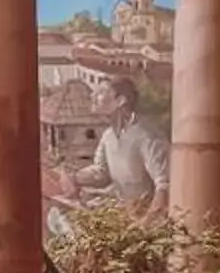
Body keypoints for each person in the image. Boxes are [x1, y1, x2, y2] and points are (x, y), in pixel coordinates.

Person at [72, 77, 169, 213]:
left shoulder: (147, 135)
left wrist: (145, 224)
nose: (92, 95)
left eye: (101, 92)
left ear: (120, 101)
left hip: (144, 218)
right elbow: (102, 172)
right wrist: (73, 178)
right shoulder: (108, 136)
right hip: (122, 214)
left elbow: (164, 186)